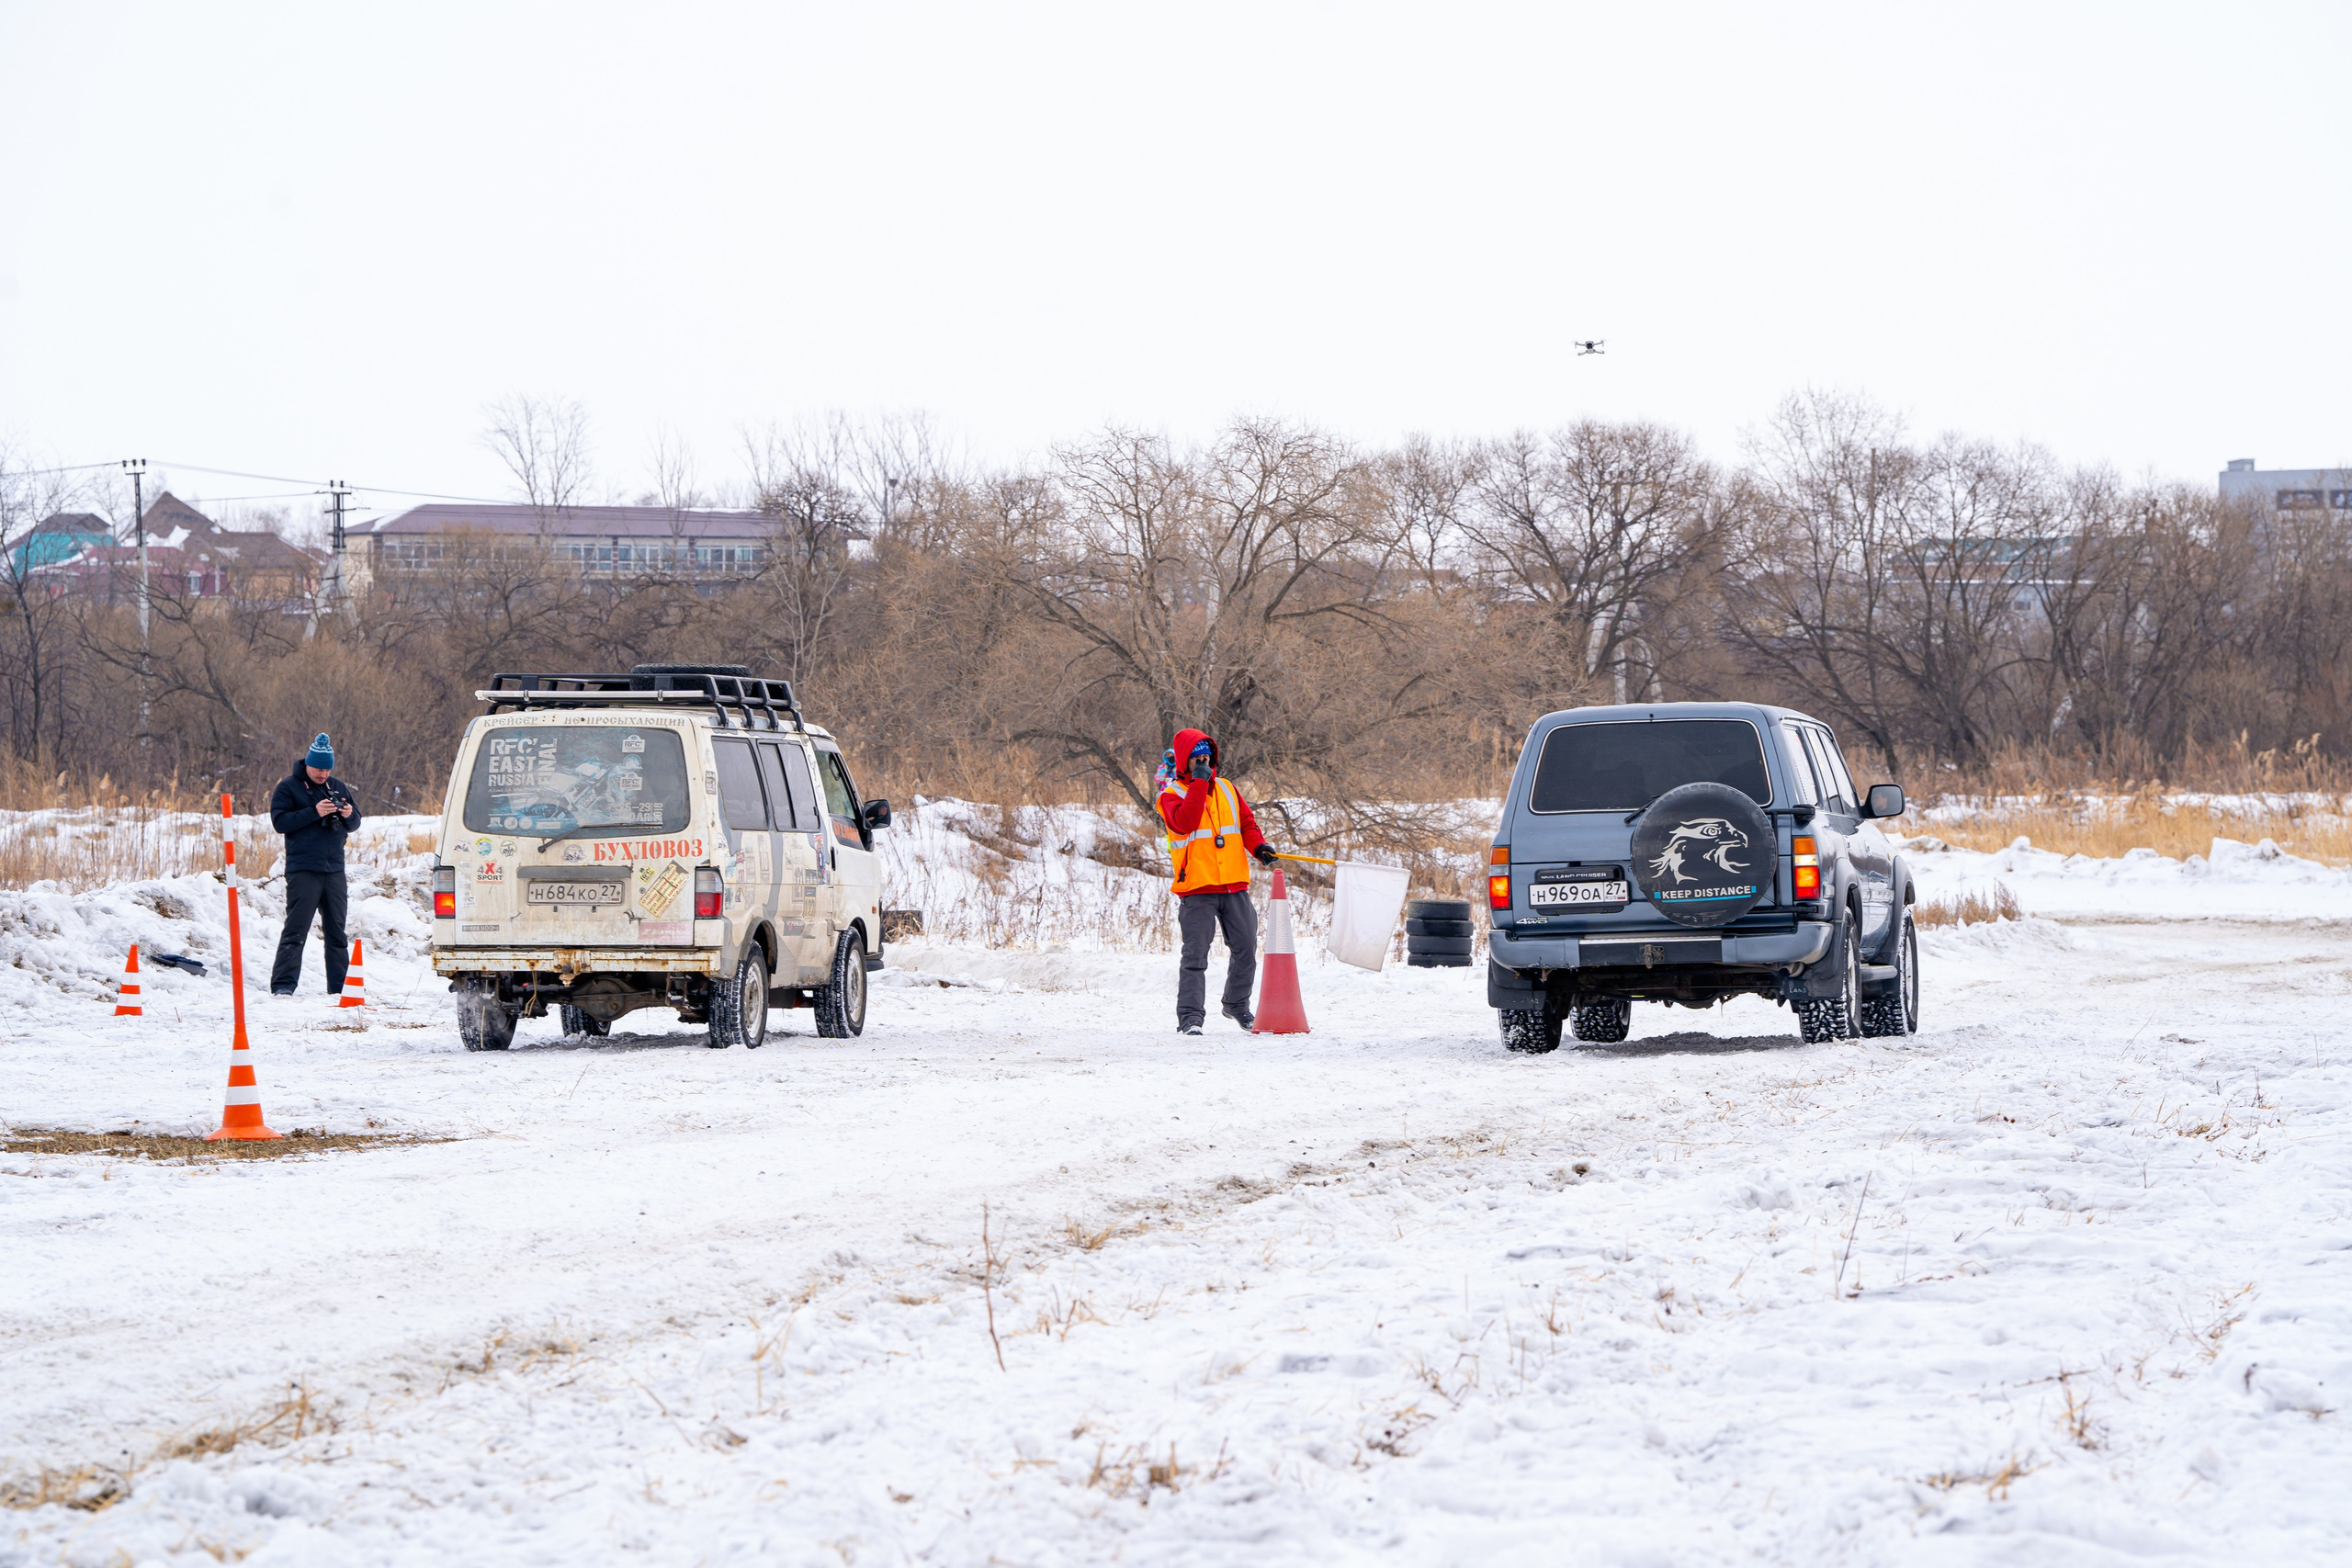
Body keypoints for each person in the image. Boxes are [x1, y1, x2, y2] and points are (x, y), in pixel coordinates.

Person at [1156, 728, 1282, 1034]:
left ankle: (1236, 1005)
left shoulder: (1227, 789)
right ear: (1185, 761)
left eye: (1207, 757)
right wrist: (1199, 781)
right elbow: (1186, 822)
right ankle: (1190, 1017)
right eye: (1197, 758)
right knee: (1195, 955)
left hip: (1234, 884)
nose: (1204, 762)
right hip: (1197, 887)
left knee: (1246, 947)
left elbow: (1247, 823)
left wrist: (1258, 847)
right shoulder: (1170, 797)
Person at [269, 732, 362, 997]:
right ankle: (283, 986)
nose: (323, 774)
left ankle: (341, 989)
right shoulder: (288, 788)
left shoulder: (338, 787)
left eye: (327, 769)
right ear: (307, 765)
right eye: (319, 769)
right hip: (303, 870)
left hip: (334, 870)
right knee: (295, 930)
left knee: (337, 934)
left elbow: (355, 823)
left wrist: (348, 814)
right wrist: (314, 812)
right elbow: (280, 823)